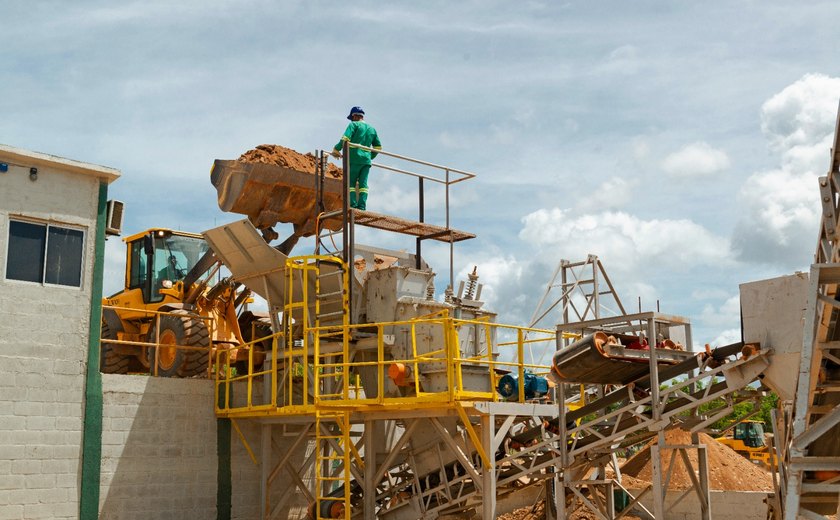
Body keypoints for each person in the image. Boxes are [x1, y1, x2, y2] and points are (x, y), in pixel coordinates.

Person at [332, 106, 381, 211]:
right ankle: (362, 206)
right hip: (366, 161)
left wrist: (336, 149)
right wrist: (369, 157)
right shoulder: (372, 129)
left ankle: (353, 205)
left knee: (351, 183)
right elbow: (378, 147)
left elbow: (345, 139)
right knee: (363, 184)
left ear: (354, 116)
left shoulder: (353, 125)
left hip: (353, 159)